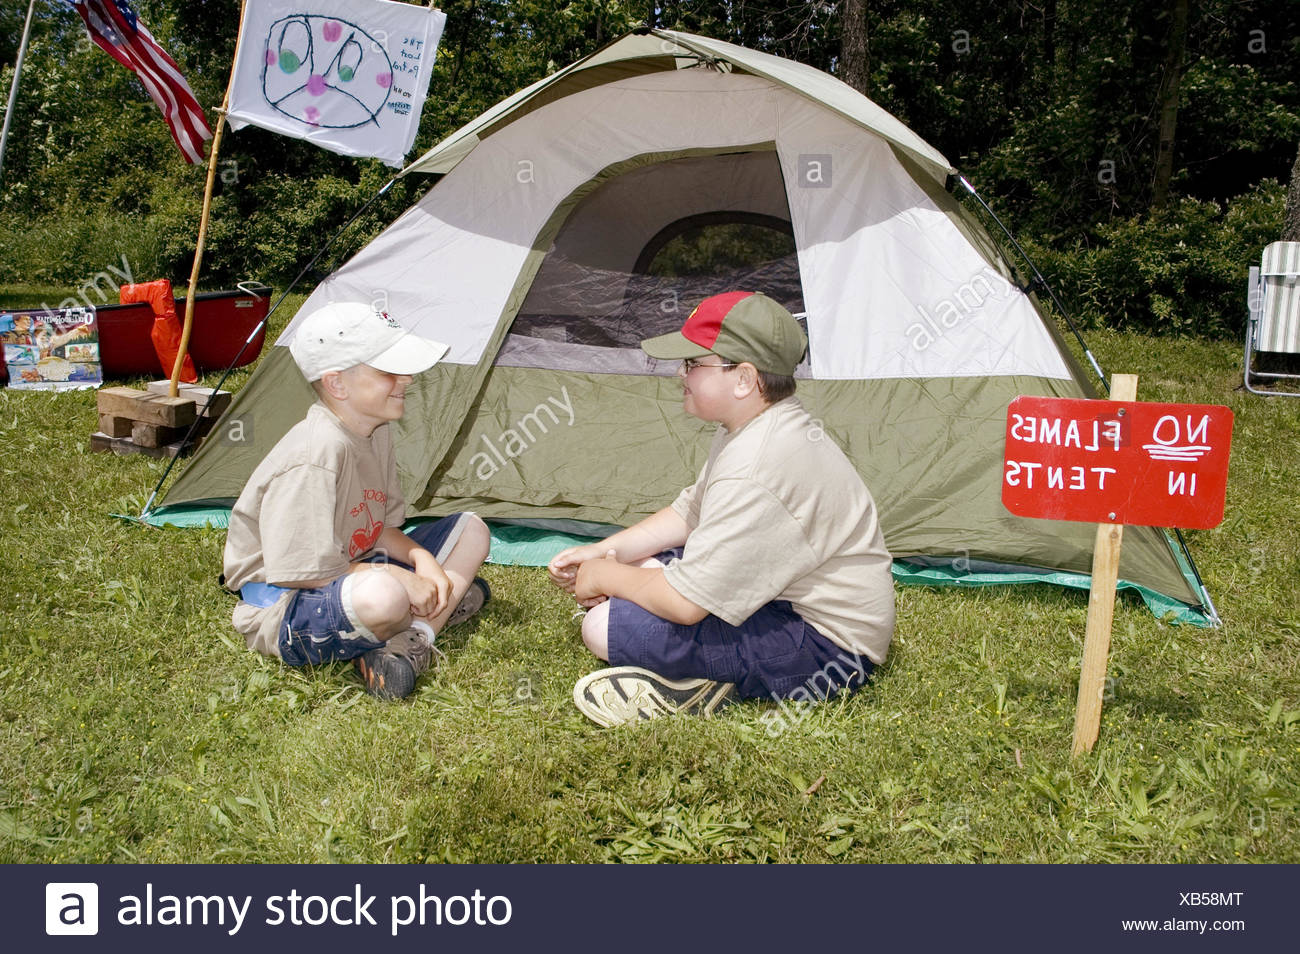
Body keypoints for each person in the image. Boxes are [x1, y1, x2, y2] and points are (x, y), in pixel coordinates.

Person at [548, 291, 895, 726]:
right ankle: (697, 665)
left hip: (829, 649)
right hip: (784, 600)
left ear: (744, 379)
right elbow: (691, 511)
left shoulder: (759, 463)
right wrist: (606, 551)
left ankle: (701, 687)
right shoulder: (753, 424)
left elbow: (685, 606)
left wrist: (605, 576)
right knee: (641, 568)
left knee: (603, 626)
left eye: (694, 362)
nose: (681, 372)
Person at [223, 301, 492, 700]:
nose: (407, 380)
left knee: (472, 528)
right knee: (384, 596)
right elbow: (302, 570)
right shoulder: (315, 455)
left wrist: (423, 561)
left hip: (351, 567)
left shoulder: (375, 430)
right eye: (389, 371)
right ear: (337, 384)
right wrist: (402, 578)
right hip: (287, 601)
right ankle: (422, 616)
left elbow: (379, 528)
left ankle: (409, 639)